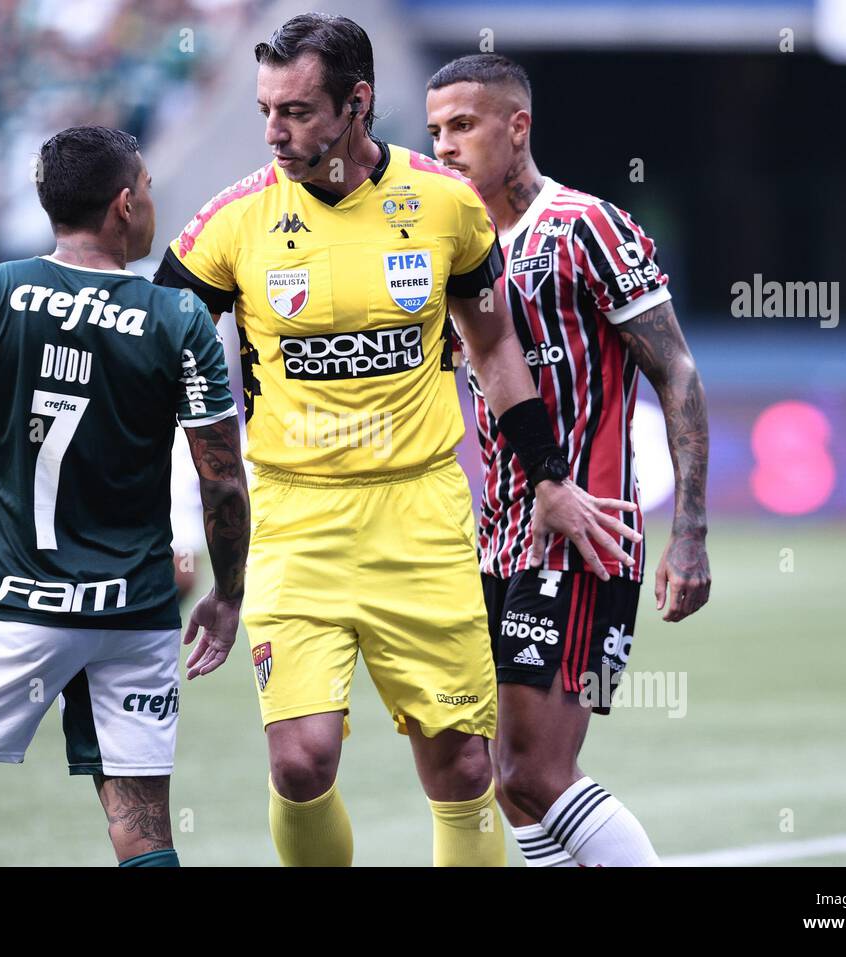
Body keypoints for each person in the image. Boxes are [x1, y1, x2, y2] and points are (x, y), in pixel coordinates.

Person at [154, 14, 634, 866]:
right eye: (268, 109)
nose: (276, 131)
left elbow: (493, 350)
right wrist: (183, 525)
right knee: (301, 760)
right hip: (297, 518)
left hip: (421, 513)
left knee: (460, 764)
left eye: (298, 111)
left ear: (358, 103)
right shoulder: (232, 222)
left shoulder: (443, 204)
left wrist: (551, 477)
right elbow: (165, 368)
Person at [0, 126, 249, 867]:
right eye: (152, 191)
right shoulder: (179, 318)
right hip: (136, 609)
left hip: (16, 602)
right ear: (124, 204)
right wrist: (228, 593)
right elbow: (221, 480)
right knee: (144, 830)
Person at [426, 54, 712, 866]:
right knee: (505, 778)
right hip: (495, 537)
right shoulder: (449, 245)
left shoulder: (586, 226)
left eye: (464, 126)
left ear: (517, 127)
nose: (445, 146)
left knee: (532, 767)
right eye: (436, 129)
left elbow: (678, 371)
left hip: (584, 530)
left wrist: (689, 530)